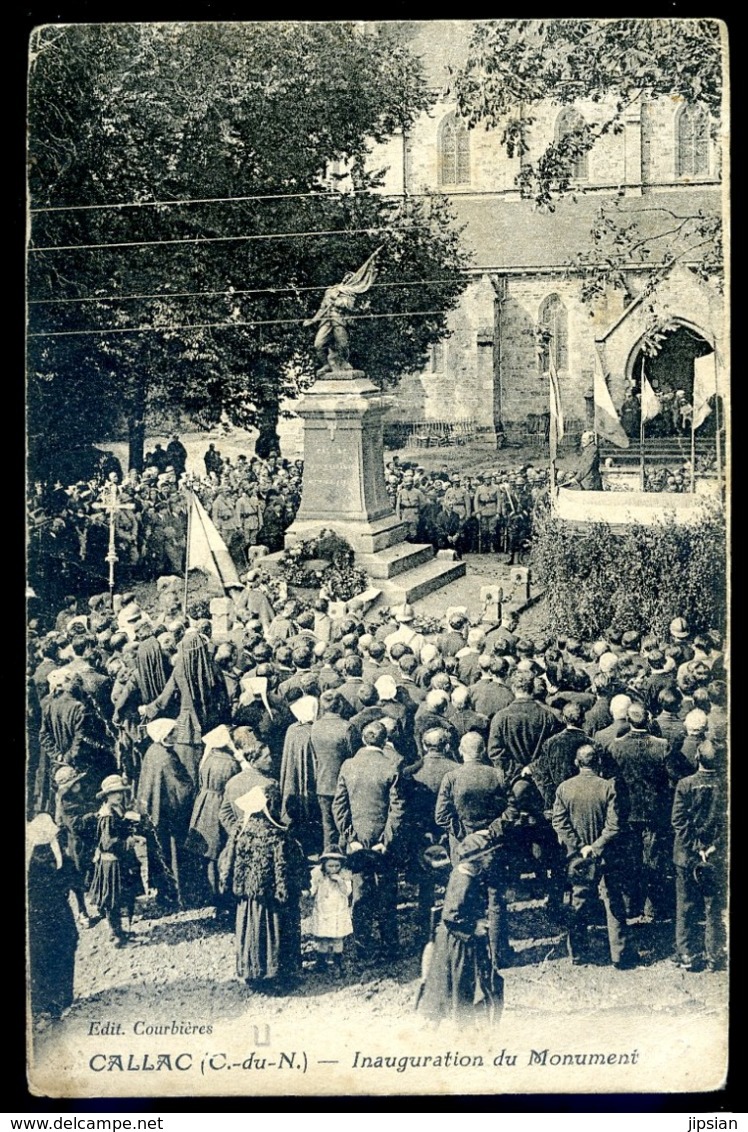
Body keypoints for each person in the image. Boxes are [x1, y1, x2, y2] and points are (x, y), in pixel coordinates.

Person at [551, 745, 634, 968]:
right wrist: (596, 847)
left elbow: (559, 822)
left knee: (578, 901)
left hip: (577, 858)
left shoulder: (564, 788)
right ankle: (620, 955)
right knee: (613, 900)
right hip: (606, 854)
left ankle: (578, 953)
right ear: (597, 763)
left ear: (577, 763)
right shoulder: (608, 787)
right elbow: (614, 825)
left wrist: (580, 846)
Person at [332, 720, 405, 962]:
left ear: (364, 739)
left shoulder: (348, 765)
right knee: (387, 894)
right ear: (385, 741)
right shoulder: (391, 767)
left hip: (357, 841)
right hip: (383, 842)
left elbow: (339, 807)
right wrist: (386, 839)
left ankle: (363, 945)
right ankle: (390, 947)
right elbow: (397, 811)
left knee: (360, 893)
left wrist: (350, 837)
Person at [417, 832, 504, 1030]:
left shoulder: (471, 874)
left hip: (459, 937)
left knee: (453, 980)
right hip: (456, 941)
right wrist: (473, 927)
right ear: (477, 857)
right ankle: (459, 1021)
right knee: (456, 980)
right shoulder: (463, 879)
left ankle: (453, 1017)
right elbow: (451, 915)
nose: (491, 858)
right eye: (488, 855)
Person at [231, 784, 306, 989]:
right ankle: (275, 972)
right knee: (273, 931)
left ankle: (252, 971)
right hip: (272, 898)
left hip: (249, 898)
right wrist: (287, 891)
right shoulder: (276, 834)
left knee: (251, 931)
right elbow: (282, 869)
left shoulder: (242, 830)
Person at [671, 741, 727, 972]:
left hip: (686, 855)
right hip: (715, 857)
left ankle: (687, 954)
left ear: (697, 757)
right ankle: (714, 955)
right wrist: (713, 847)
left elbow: (678, 821)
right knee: (713, 906)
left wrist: (695, 847)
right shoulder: (724, 785)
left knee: (685, 905)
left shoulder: (685, 784)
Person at [27, 813, 80, 1025]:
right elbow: (73, 877)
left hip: (37, 915)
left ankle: (42, 1001)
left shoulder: (31, 858)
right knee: (62, 949)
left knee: (41, 955)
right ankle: (60, 999)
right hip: (56, 912)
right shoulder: (57, 856)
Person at [135, 718, 194, 910]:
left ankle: (163, 895)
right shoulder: (167, 758)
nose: (176, 735)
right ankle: (178, 896)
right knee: (173, 854)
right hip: (170, 815)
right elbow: (180, 788)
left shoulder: (152, 751)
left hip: (155, 814)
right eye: (173, 732)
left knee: (159, 854)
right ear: (165, 735)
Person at [88, 774, 145, 947]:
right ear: (106, 795)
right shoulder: (107, 816)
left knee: (120, 897)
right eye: (114, 793)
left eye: (120, 792)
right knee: (112, 900)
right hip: (111, 862)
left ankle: (122, 932)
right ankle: (117, 937)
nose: (119, 796)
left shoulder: (116, 809)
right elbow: (107, 842)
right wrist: (130, 841)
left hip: (119, 860)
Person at [308, 848, 354, 975]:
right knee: (322, 938)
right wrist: (308, 891)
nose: (333, 869)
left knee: (337, 938)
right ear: (324, 864)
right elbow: (312, 890)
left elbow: (347, 892)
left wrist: (340, 881)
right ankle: (321, 962)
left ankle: (337, 962)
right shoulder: (318, 874)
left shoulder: (344, 875)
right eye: (330, 866)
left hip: (338, 911)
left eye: (336, 865)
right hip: (323, 910)